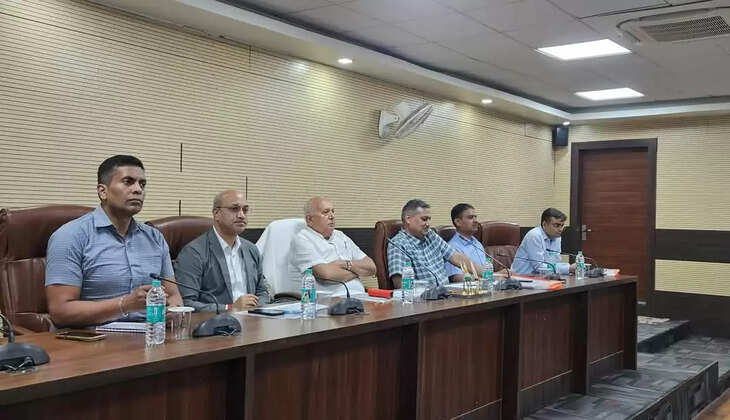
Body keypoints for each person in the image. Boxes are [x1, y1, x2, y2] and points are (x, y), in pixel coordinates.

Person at [46, 155, 182, 327]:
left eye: (142, 184)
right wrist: (124, 304)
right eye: (128, 182)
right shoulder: (70, 236)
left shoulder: (155, 238)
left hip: (151, 334)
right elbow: (60, 312)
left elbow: (173, 296)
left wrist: (173, 311)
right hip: (95, 336)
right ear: (103, 191)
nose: (138, 190)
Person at [174, 190, 270, 312]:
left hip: (253, 318)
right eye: (234, 209)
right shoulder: (193, 253)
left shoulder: (251, 249)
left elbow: (262, 291)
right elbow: (186, 303)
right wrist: (230, 308)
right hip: (216, 321)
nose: (241, 215)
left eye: (245, 210)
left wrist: (257, 307)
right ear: (216, 214)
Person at [290, 197, 376, 296]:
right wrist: (358, 272)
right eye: (325, 212)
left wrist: (344, 264)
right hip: (328, 300)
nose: (332, 216)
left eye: (333, 211)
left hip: (360, 296)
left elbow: (372, 267)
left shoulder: (340, 235)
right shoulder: (302, 239)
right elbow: (326, 275)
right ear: (310, 219)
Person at [387, 199, 474, 288]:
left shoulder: (430, 235)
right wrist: (427, 287)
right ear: (408, 219)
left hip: (447, 293)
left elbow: (456, 257)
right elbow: (400, 284)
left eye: (429, 219)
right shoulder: (398, 244)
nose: (428, 224)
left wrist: (482, 274)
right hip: (424, 296)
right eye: (424, 219)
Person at [511, 207, 574, 275]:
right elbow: (539, 267)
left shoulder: (557, 237)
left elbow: (555, 262)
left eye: (562, 225)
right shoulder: (534, 235)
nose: (560, 229)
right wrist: (568, 268)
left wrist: (568, 269)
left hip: (543, 277)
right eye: (556, 225)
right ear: (544, 224)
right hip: (521, 277)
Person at [444, 203, 488, 282]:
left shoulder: (477, 243)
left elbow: (486, 272)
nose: (476, 221)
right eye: (470, 217)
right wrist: (486, 279)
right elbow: (457, 278)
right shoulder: (452, 248)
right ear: (458, 222)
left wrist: (499, 275)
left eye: (475, 217)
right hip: (470, 288)